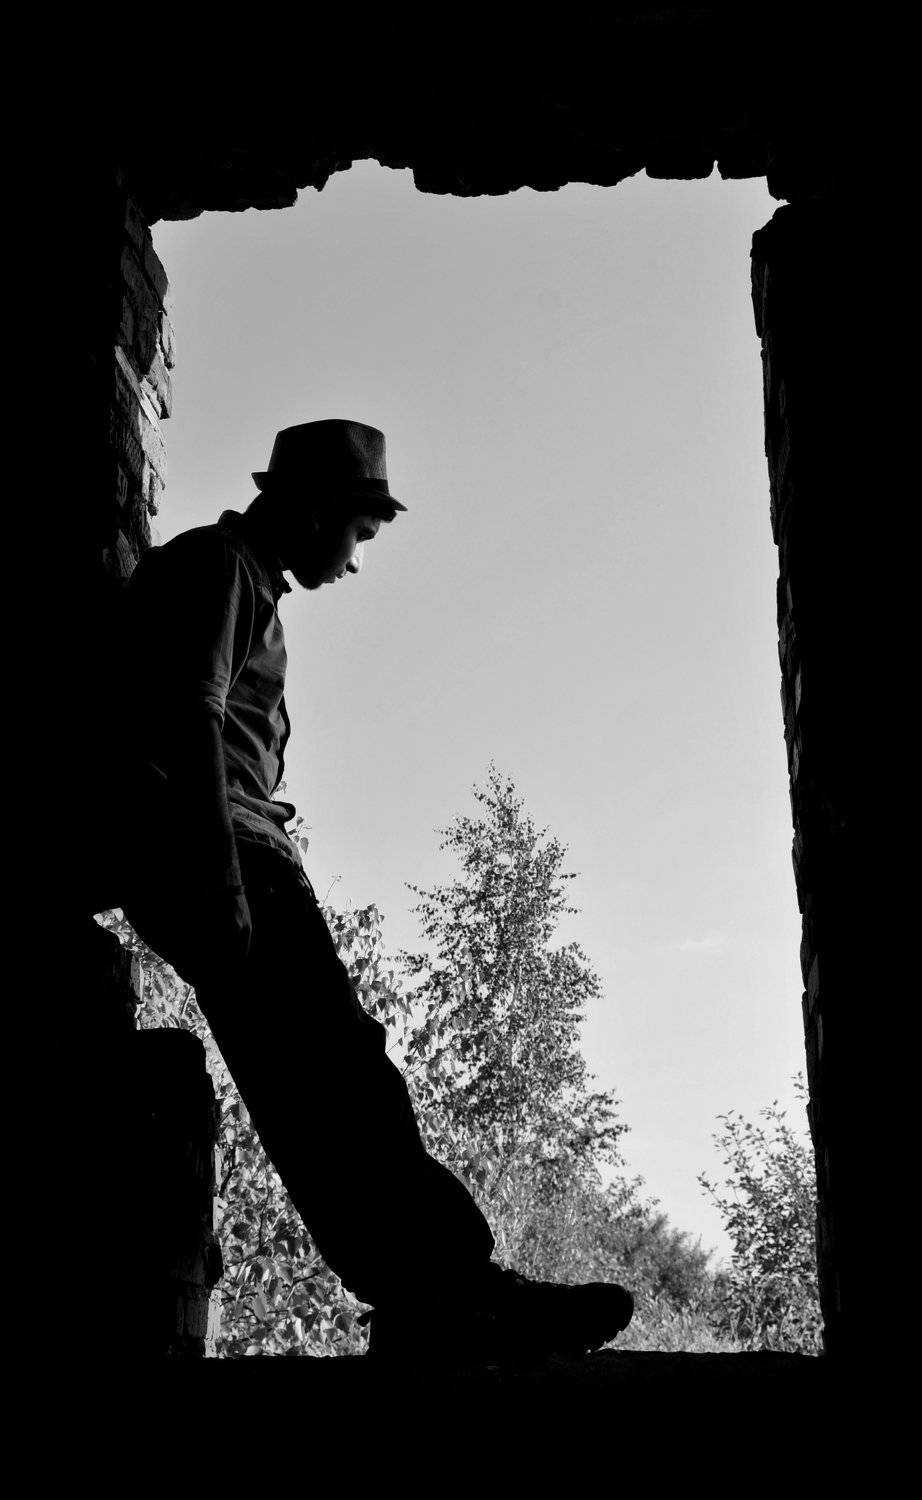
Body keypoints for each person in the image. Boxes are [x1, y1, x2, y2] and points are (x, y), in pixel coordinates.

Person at [119, 417, 634, 1366]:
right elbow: (190, 715)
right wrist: (222, 881)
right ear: (318, 508)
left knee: (314, 1086)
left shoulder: (238, 580)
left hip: (217, 855)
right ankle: (452, 1291)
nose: (355, 558)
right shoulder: (221, 567)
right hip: (228, 857)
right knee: (340, 1076)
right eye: (358, 531)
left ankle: (424, 1296)